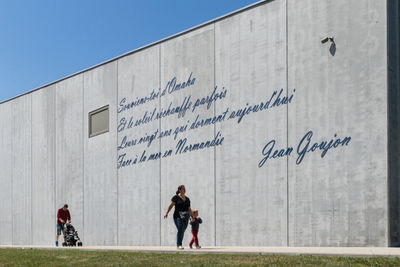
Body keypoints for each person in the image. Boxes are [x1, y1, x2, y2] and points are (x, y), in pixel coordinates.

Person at [164, 185, 192, 249]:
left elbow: (189, 209)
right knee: (180, 229)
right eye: (183, 189)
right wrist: (166, 213)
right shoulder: (176, 197)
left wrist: (192, 217)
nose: (184, 190)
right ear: (179, 190)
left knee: (182, 230)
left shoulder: (187, 199)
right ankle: (179, 244)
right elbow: (170, 206)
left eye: (185, 189)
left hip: (186, 217)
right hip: (177, 217)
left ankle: (179, 244)